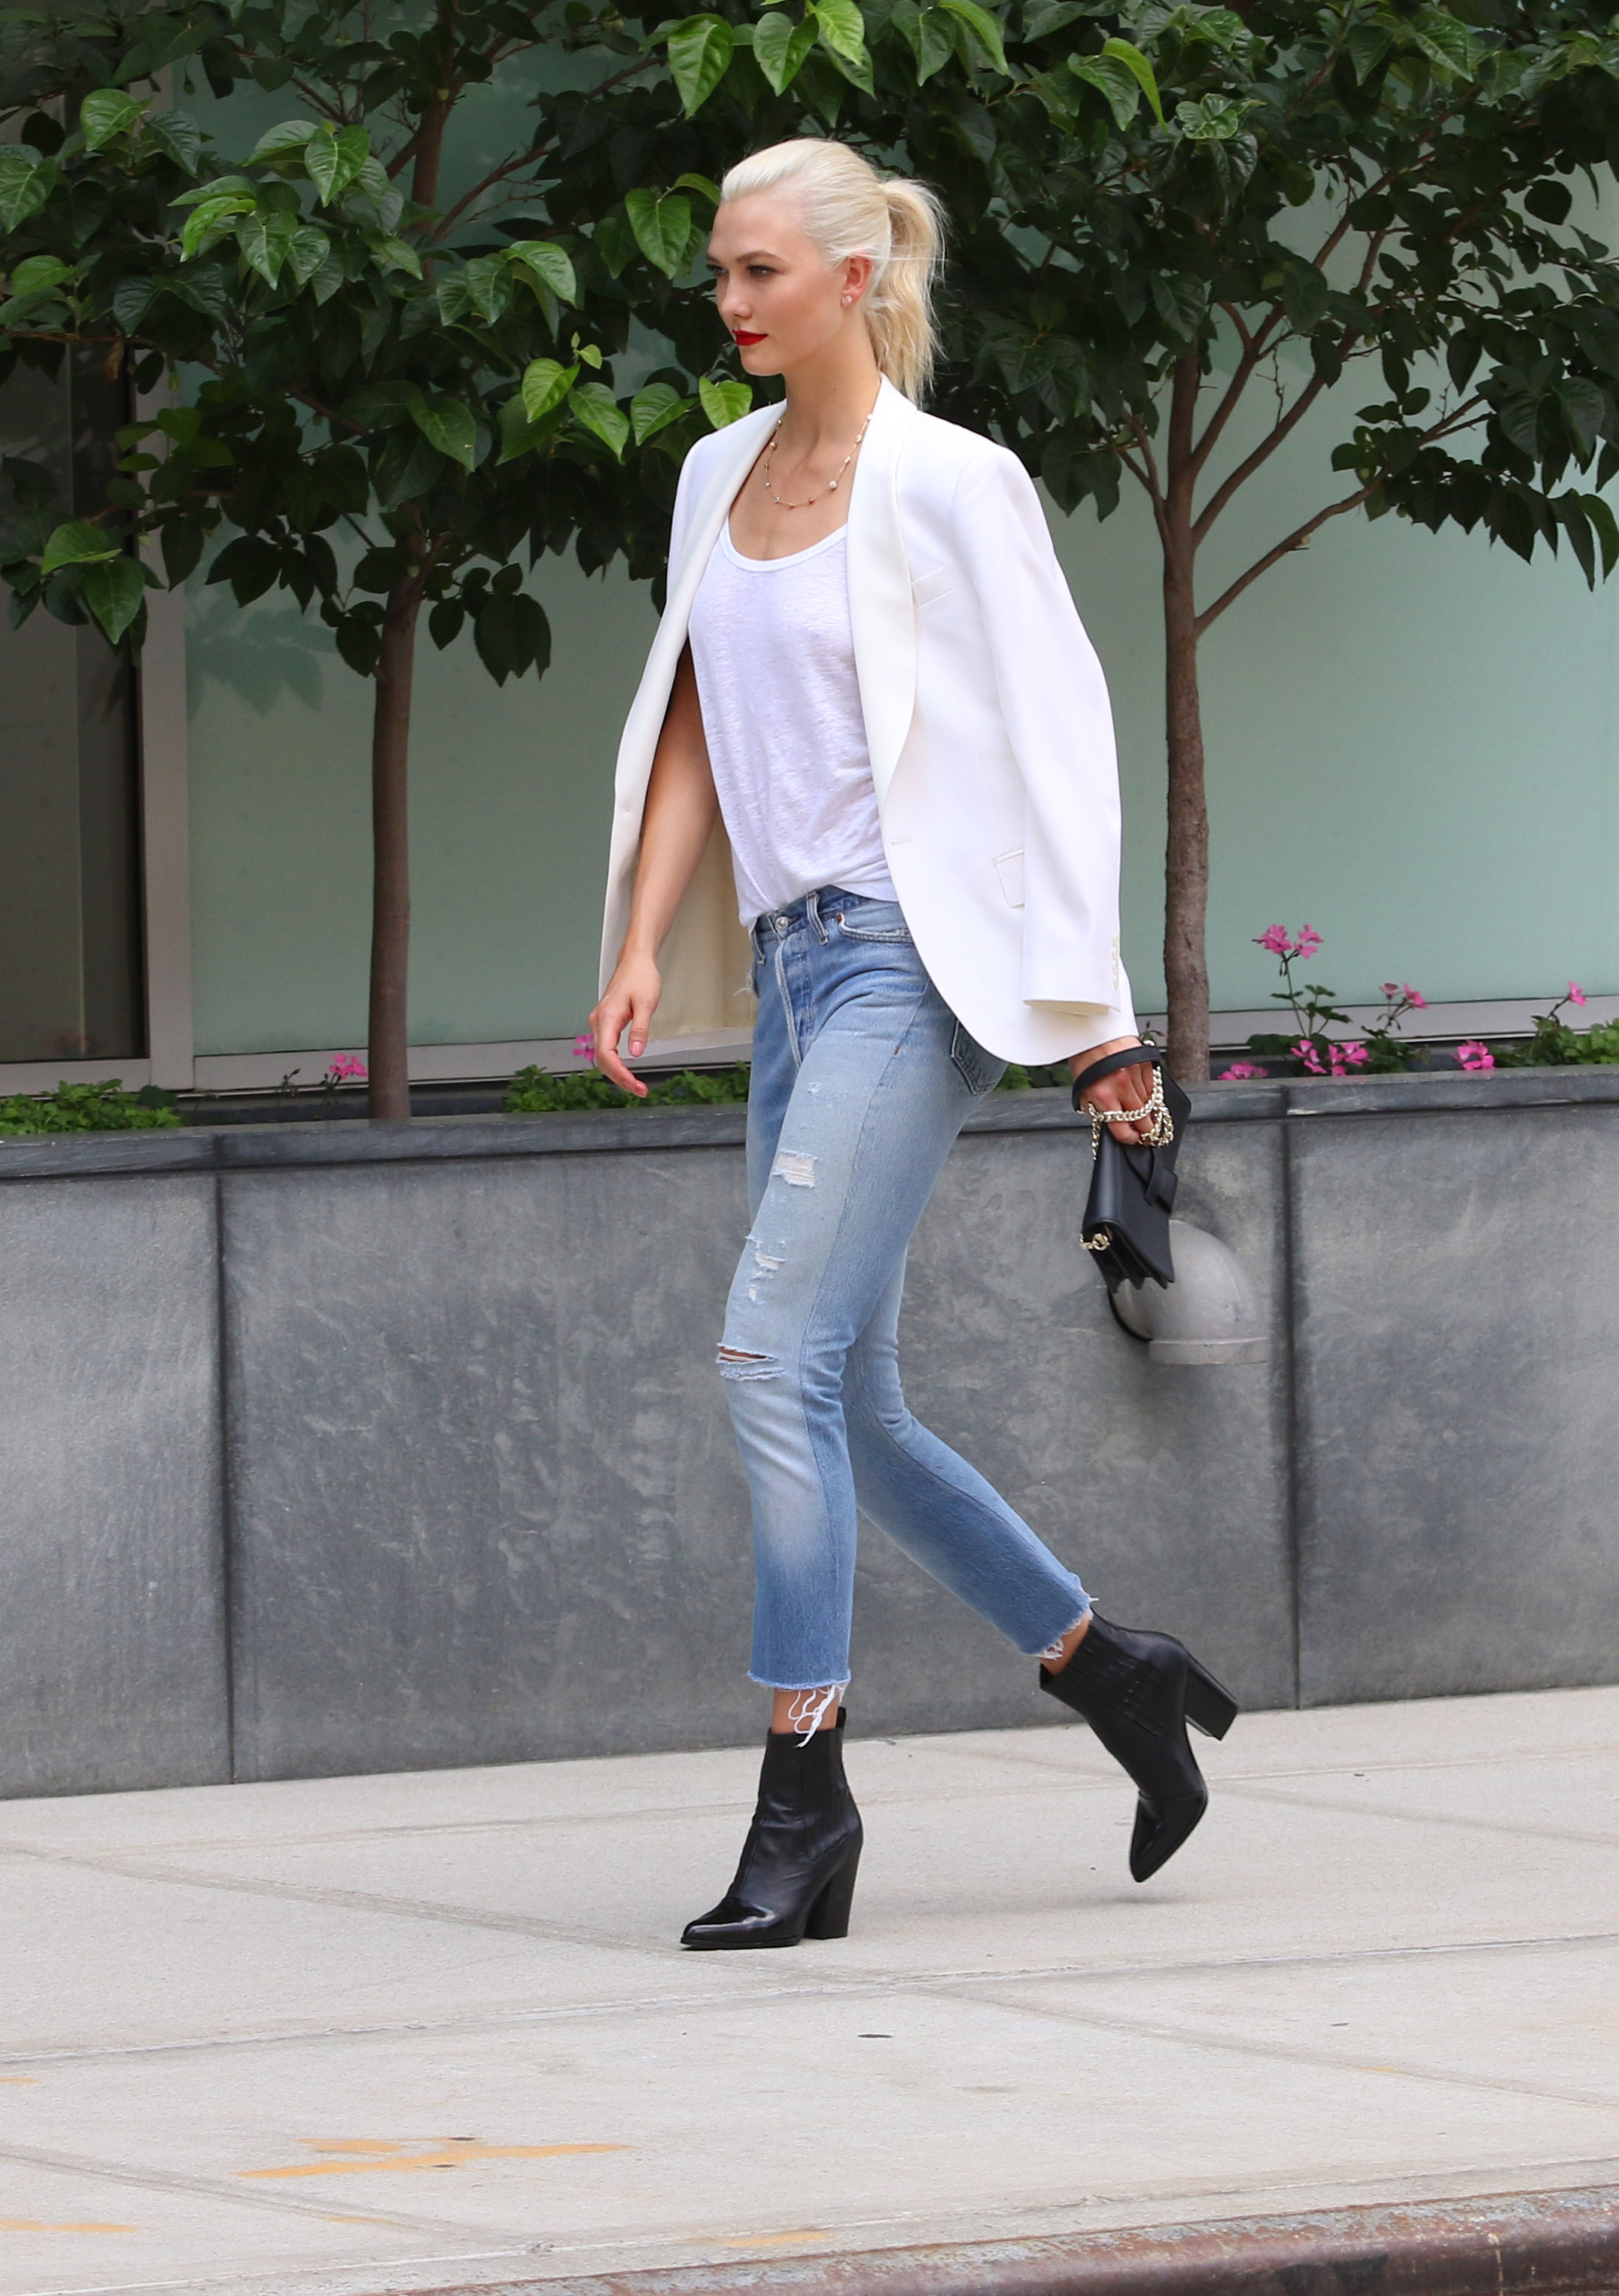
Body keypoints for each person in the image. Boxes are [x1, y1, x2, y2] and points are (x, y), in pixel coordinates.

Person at [586, 138, 1240, 1952]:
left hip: (911, 967)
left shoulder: (955, 484)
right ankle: (1108, 1665)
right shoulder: (717, 471)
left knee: (762, 1350)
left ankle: (803, 1791)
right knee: (847, 1403)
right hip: (788, 973)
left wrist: (1100, 1022)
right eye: (721, 271)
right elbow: (695, 718)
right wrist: (641, 940)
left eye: (759, 271)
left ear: (854, 278)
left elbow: (1059, 742)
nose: (728, 299)